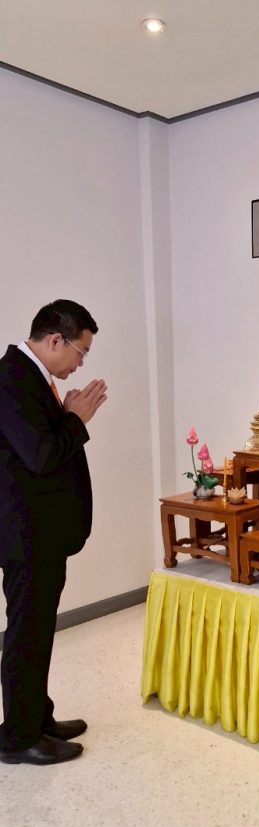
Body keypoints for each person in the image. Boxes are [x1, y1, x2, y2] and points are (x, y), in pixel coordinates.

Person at [0, 299, 107, 765]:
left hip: (39, 533)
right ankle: (19, 738)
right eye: (81, 352)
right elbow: (41, 455)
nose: (81, 363)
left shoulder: (31, 378)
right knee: (27, 633)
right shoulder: (11, 379)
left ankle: (38, 718)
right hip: (26, 537)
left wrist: (66, 417)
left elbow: (39, 448)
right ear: (55, 340)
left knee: (38, 629)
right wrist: (76, 419)